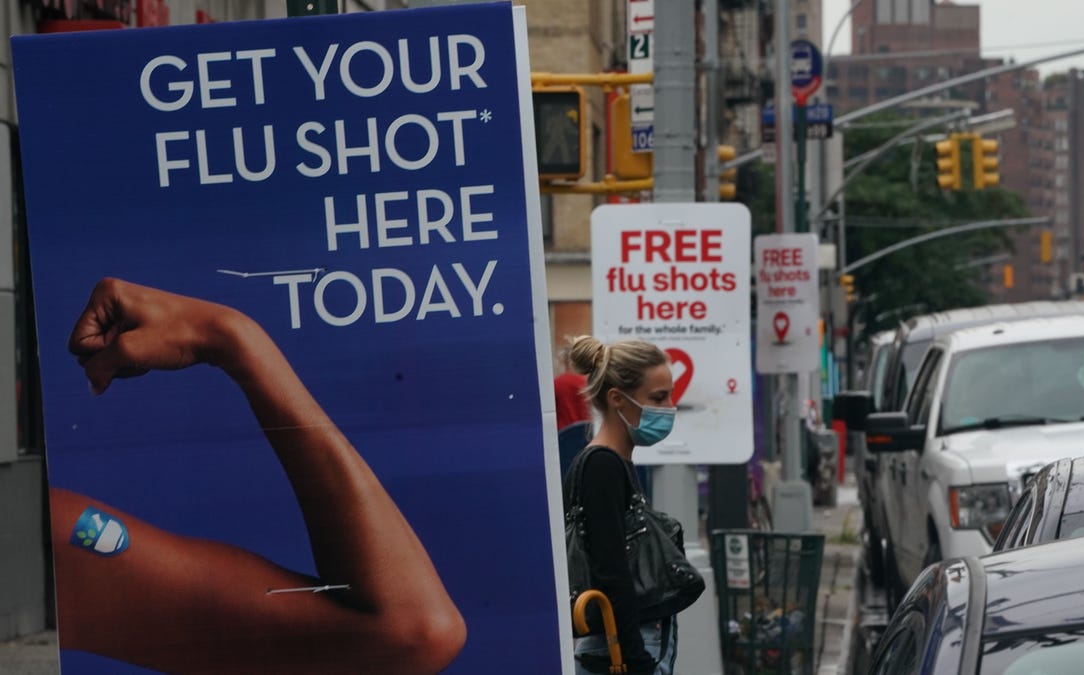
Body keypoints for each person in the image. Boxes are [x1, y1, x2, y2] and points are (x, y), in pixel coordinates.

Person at [50, 278, 466, 675]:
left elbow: (412, 628)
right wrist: (229, 338)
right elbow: (415, 630)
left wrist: (230, 337)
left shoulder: (46, 538)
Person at [566, 335, 678, 675]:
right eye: (659, 397)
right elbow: (612, 570)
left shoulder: (615, 462)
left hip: (621, 647)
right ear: (617, 398)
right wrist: (635, 659)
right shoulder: (603, 466)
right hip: (618, 652)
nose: (670, 406)